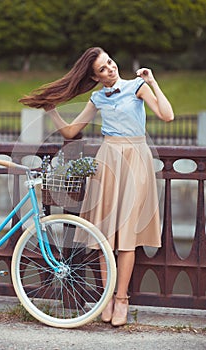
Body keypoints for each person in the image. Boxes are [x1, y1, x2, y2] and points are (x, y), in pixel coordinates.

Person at [19, 47, 174, 327]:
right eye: (103, 69)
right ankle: (106, 298)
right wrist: (51, 110)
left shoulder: (137, 86)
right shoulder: (97, 97)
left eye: (110, 63)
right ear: (94, 77)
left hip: (136, 161)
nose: (110, 69)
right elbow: (70, 131)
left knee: (127, 236)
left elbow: (167, 116)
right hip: (107, 162)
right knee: (104, 235)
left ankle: (123, 299)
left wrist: (152, 82)